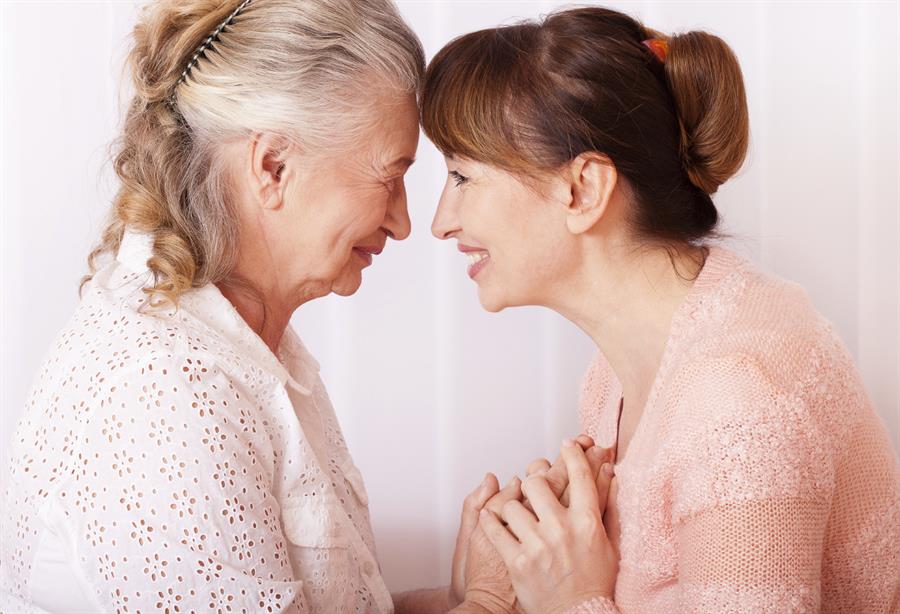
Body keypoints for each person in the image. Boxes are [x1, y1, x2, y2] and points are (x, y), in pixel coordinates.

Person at [421, 6, 900, 613]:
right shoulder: (618, 371)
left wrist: (572, 601)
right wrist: (493, 591)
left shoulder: (738, 400)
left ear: (583, 190)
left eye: (462, 176)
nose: (441, 222)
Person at [0, 0, 433, 611]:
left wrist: (462, 594)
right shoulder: (163, 393)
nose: (403, 221)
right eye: (391, 176)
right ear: (273, 166)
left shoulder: (241, 345)